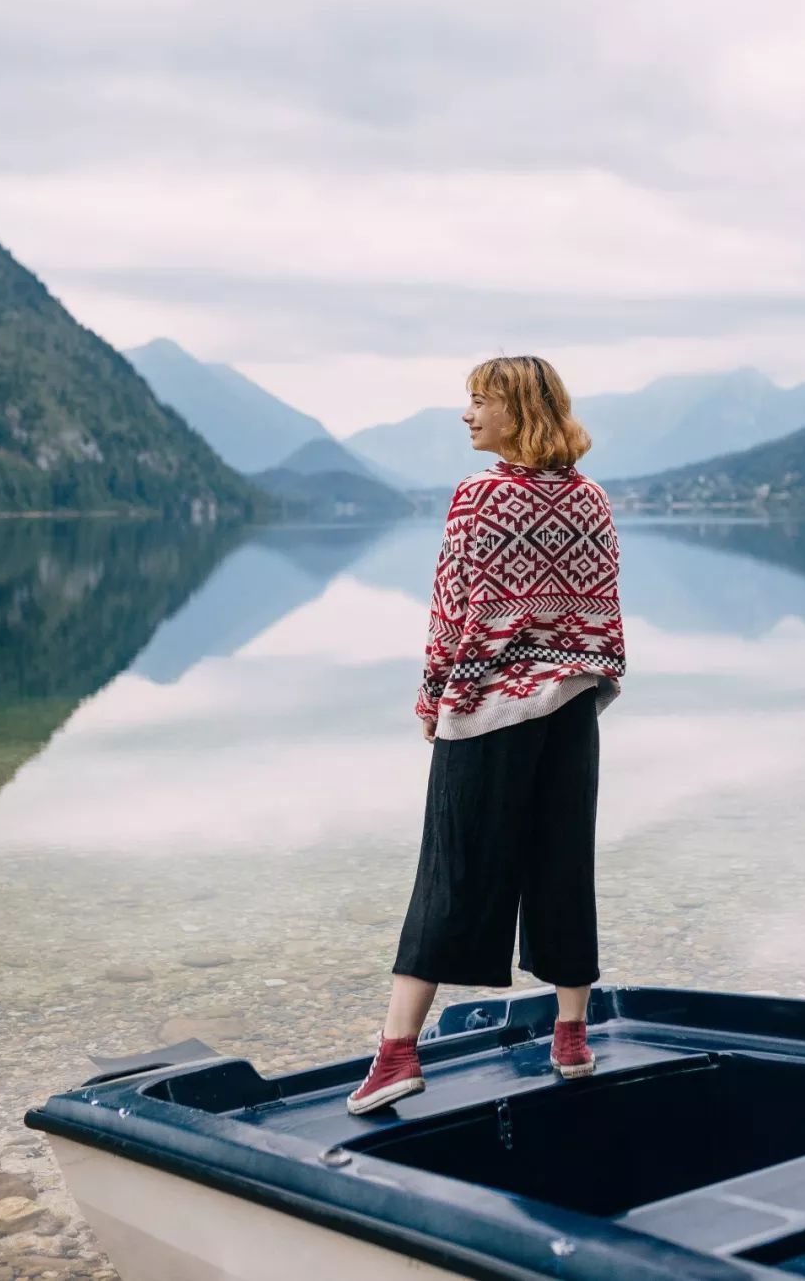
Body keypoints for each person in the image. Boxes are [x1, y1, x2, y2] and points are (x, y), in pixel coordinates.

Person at [347, 354, 626, 1115]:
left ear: (518, 411)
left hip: (490, 709)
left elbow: (452, 611)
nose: (467, 414)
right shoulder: (592, 500)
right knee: (563, 862)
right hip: (569, 707)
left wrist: (434, 699)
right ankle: (572, 1036)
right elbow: (602, 612)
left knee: (453, 869)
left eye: (480, 401)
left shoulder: (479, 497)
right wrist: (577, 678)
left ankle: (399, 1053)